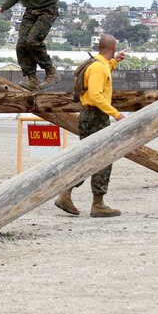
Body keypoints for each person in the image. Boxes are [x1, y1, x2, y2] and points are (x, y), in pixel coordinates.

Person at [54, 34, 126, 218]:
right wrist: (116, 114)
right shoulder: (98, 67)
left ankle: (66, 194)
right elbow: (95, 95)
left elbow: (103, 74)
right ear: (113, 47)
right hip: (95, 117)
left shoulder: (98, 64)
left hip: (90, 116)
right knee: (103, 159)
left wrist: (115, 62)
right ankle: (97, 204)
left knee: (87, 158)